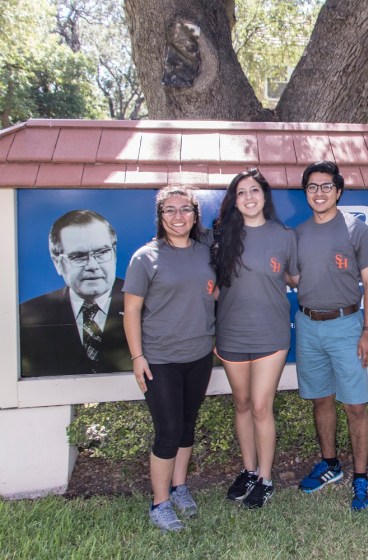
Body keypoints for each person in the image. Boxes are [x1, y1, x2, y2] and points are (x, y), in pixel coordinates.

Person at [123, 186, 216, 532]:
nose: (179, 216)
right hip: (160, 359)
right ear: (160, 217)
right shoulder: (145, 257)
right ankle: (159, 503)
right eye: (170, 210)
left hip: (199, 354)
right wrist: (137, 356)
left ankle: (179, 487)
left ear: (195, 215)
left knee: (187, 424)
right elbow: (131, 311)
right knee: (168, 431)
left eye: (185, 209)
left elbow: (213, 291)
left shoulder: (205, 252)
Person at [294, 160, 368, 511]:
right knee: (321, 399)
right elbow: (292, 277)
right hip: (307, 324)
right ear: (306, 192)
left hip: (347, 325)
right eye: (312, 187)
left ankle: (361, 477)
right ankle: (330, 464)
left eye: (326, 186)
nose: (319, 193)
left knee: (355, 405)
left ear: (339, 191)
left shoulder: (356, 229)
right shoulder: (298, 234)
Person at [212, 169, 298, 509]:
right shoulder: (219, 237)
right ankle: (248, 471)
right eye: (241, 192)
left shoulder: (284, 236)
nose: (249, 197)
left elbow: (296, 278)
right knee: (242, 404)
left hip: (271, 334)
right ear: (234, 200)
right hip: (231, 333)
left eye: (254, 191)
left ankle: (265, 478)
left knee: (262, 406)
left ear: (265, 196)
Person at [19, 210, 131, 377]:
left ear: (114, 253)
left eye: (102, 252)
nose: (92, 265)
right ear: (57, 263)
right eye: (78, 256)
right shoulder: (28, 315)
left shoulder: (147, 303)